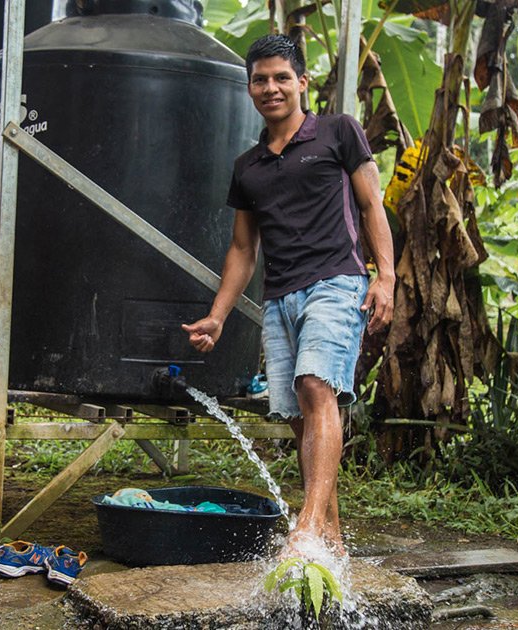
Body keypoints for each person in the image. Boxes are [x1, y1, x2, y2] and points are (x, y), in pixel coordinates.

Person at [182, 35, 395, 557]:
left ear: (302, 82)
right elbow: (241, 248)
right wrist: (218, 315)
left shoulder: (338, 132)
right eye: (260, 79)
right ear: (249, 86)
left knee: (316, 388)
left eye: (281, 77)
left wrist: (385, 276)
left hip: (337, 282)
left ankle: (304, 528)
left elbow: (372, 206)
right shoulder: (248, 166)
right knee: (304, 418)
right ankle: (333, 538)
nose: (270, 87)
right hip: (280, 299)